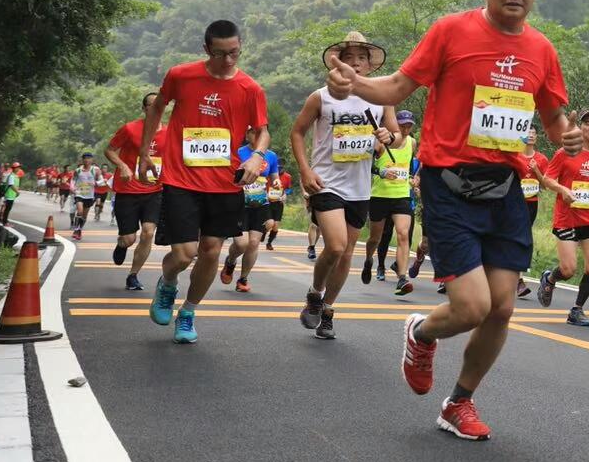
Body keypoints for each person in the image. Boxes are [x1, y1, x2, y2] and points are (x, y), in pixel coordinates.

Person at [324, 0, 583, 441]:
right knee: (471, 308)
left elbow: (553, 119)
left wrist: (566, 135)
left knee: (503, 307)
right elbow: (398, 87)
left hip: (506, 189)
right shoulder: (450, 31)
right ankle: (421, 333)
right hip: (450, 186)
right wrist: (357, 83)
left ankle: (458, 402)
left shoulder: (541, 50)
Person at [138, 19, 271, 344]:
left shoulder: (250, 88)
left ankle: (189, 311)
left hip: (225, 184)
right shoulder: (181, 75)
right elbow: (157, 109)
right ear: (206, 49)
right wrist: (144, 154)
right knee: (184, 254)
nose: (228, 61)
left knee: (211, 252)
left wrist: (257, 156)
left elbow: (262, 131)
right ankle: (168, 281)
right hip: (181, 178)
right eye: (220, 53)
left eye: (234, 53)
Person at [292, 31, 402, 340]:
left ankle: (326, 309)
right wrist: (304, 170)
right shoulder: (321, 96)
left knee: (346, 252)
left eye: (362, 58)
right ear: (336, 62)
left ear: (370, 65)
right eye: (349, 57)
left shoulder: (381, 97)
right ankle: (315, 292)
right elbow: (297, 132)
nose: (355, 62)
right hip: (325, 182)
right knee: (336, 245)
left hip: (360, 187)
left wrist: (387, 138)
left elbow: (395, 134)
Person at [536, 110, 589, 327]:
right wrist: (562, 189)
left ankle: (577, 310)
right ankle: (550, 278)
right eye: (587, 123)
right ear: (580, 128)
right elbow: (547, 179)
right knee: (569, 270)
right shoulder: (564, 153)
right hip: (566, 218)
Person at [106, 93, 169, 291]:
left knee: (148, 233)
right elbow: (109, 150)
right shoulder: (130, 129)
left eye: (160, 105)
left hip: (154, 190)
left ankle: (133, 275)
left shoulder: (170, 132)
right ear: (144, 109)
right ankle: (122, 244)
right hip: (128, 190)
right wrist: (123, 165)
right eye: (152, 105)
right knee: (129, 238)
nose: (156, 108)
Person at [361, 108, 419, 295]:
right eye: (402, 125)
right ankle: (369, 259)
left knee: (403, 234)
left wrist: (413, 178)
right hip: (380, 195)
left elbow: (411, 165)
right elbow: (366, 166)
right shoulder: (380, 142)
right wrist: (381, 172)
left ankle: (402, 279)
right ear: (395, 126)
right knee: (374, 238)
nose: (406, 129)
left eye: (409, 125)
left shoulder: (412, 143)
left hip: (402, 194)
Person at [222, 138, 282, 294]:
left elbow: (274, 176)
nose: (254, 134)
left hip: (261, 205)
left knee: (254, 243)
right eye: (251, 131)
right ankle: (230, 261)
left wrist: (276, 182)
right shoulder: (238, 151)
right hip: (240, 204)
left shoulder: (271, 156)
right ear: (247, 133)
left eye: (258, 131)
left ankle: (243, 279)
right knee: (242, 243)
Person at [513, 127, 548, 299]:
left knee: (523, 238)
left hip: (531, 204)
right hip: (514, 203)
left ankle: (515, 277)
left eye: (534, 132)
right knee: (517, 237)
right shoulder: (514, 156)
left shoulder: (541, 159)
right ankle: (518, 280)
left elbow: (545, 185)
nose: (531, 135)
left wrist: (537, 171)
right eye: (527, 132)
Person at [69, 154, 98, 238]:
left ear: (92, 160)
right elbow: (73, 180)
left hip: (89, 195)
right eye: (85, 158)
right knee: (80, 211)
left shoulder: (95, 170)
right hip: (79, 193)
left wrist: (96, 183)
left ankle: (79, 230)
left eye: (88, 158)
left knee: (84, 216)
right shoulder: (78, 170)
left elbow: (101, 180)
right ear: (82, 160)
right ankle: (76, 230)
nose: (86, 160)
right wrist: (72, 187)